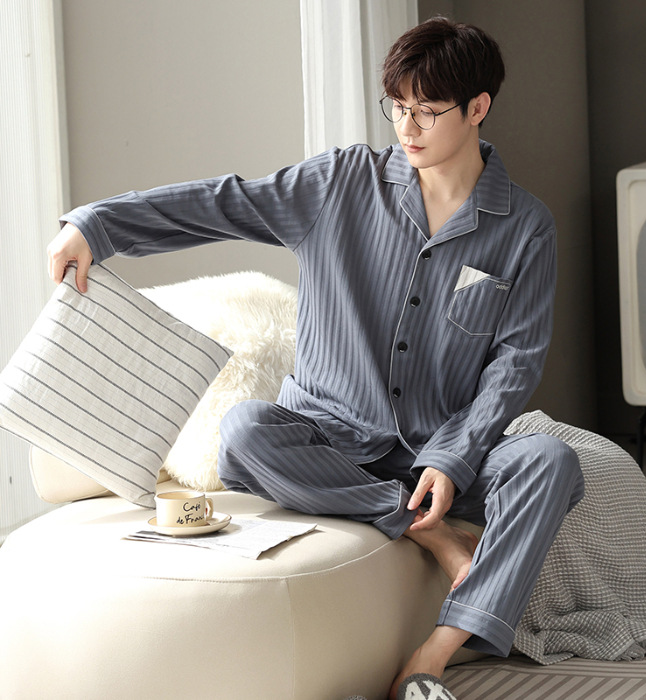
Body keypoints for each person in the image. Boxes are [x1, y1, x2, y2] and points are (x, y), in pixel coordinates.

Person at [47, 17, 584, 699]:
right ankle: (428, 534)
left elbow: (515, 361)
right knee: (244, 431)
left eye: (427, 109)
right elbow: (222, 202)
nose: (407, 126)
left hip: (438, 448)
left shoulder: (526, 226)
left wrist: (454, 458)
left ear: (477, 108)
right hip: (326, 440)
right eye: (397, 106)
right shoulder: (339, 183)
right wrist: (97, 224)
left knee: (550, 461)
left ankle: (434, 655)